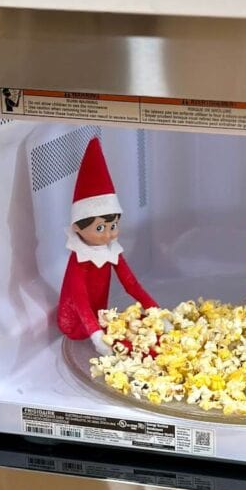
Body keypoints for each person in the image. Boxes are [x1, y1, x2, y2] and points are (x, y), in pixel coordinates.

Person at [57, 137, 157, 354]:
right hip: (75, 323)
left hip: (99, 316)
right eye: (100, 228)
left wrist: (155, 311)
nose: (109, 234)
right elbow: (80, 299)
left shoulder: (111, 251)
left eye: (114, 226)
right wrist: (96, 335)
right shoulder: (80, 259)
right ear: (77, 227)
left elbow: (130, 284)